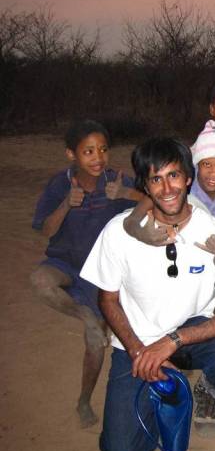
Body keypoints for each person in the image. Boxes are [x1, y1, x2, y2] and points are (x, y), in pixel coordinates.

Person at [80, 137, 215, 451]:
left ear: (188, 178)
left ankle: (205, 388)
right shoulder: (118, 231)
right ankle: (154, 389)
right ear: (145, 186)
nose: (167, 188)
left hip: (188, 336)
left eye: (173, 175)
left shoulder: (212, 232)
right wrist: (139, 352)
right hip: (136, 343)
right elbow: (108, 300)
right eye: (155, 179)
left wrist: (173, 341)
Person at [30, 119, 142, 428]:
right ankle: (85, 316)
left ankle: (83, 401)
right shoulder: (60, 184)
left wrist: (126, 193)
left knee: (94, 344)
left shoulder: (116, 181)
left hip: (101, 273)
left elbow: (153, 200)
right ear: (71, 154)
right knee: (40, 281)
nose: (98, 157)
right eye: (88, 151)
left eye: (103, 149)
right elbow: (45, 230)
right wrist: (67, 204)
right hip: (65, 264)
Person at [123, 119, 215, 260]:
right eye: (207, 164)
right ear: (196, 164)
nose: (214, 173)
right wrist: (137, 229)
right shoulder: (185, 180)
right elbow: (150, 201)